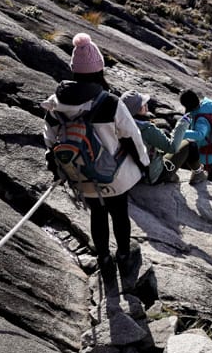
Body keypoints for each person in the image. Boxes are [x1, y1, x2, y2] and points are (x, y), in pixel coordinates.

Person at [43, 33, 149, 271]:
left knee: (97, 215)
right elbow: (132, 137)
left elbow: (49, 138)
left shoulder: (55, 102)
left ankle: (103, 257)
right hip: (114, 176)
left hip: (82, 175)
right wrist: (143, 163)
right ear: (99, 69)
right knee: (120, 214)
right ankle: (123, 255)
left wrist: (57, 164)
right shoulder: (110, 102)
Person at [121, 90, 205, 185]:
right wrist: (183, 123)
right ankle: (198, 173)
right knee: (190, 143)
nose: (147, 104)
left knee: (164, 134)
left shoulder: (121, 124)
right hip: (151, 175)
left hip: (133, 172)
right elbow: (172, 147)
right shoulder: (147, 129)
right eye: (144, 103)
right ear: (138, 109)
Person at [179, 90, 212, 183]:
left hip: (206, 154)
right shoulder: (204, 108)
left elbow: (200, 134)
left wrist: (182, 133)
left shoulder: (201, 118)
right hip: (210, 149)